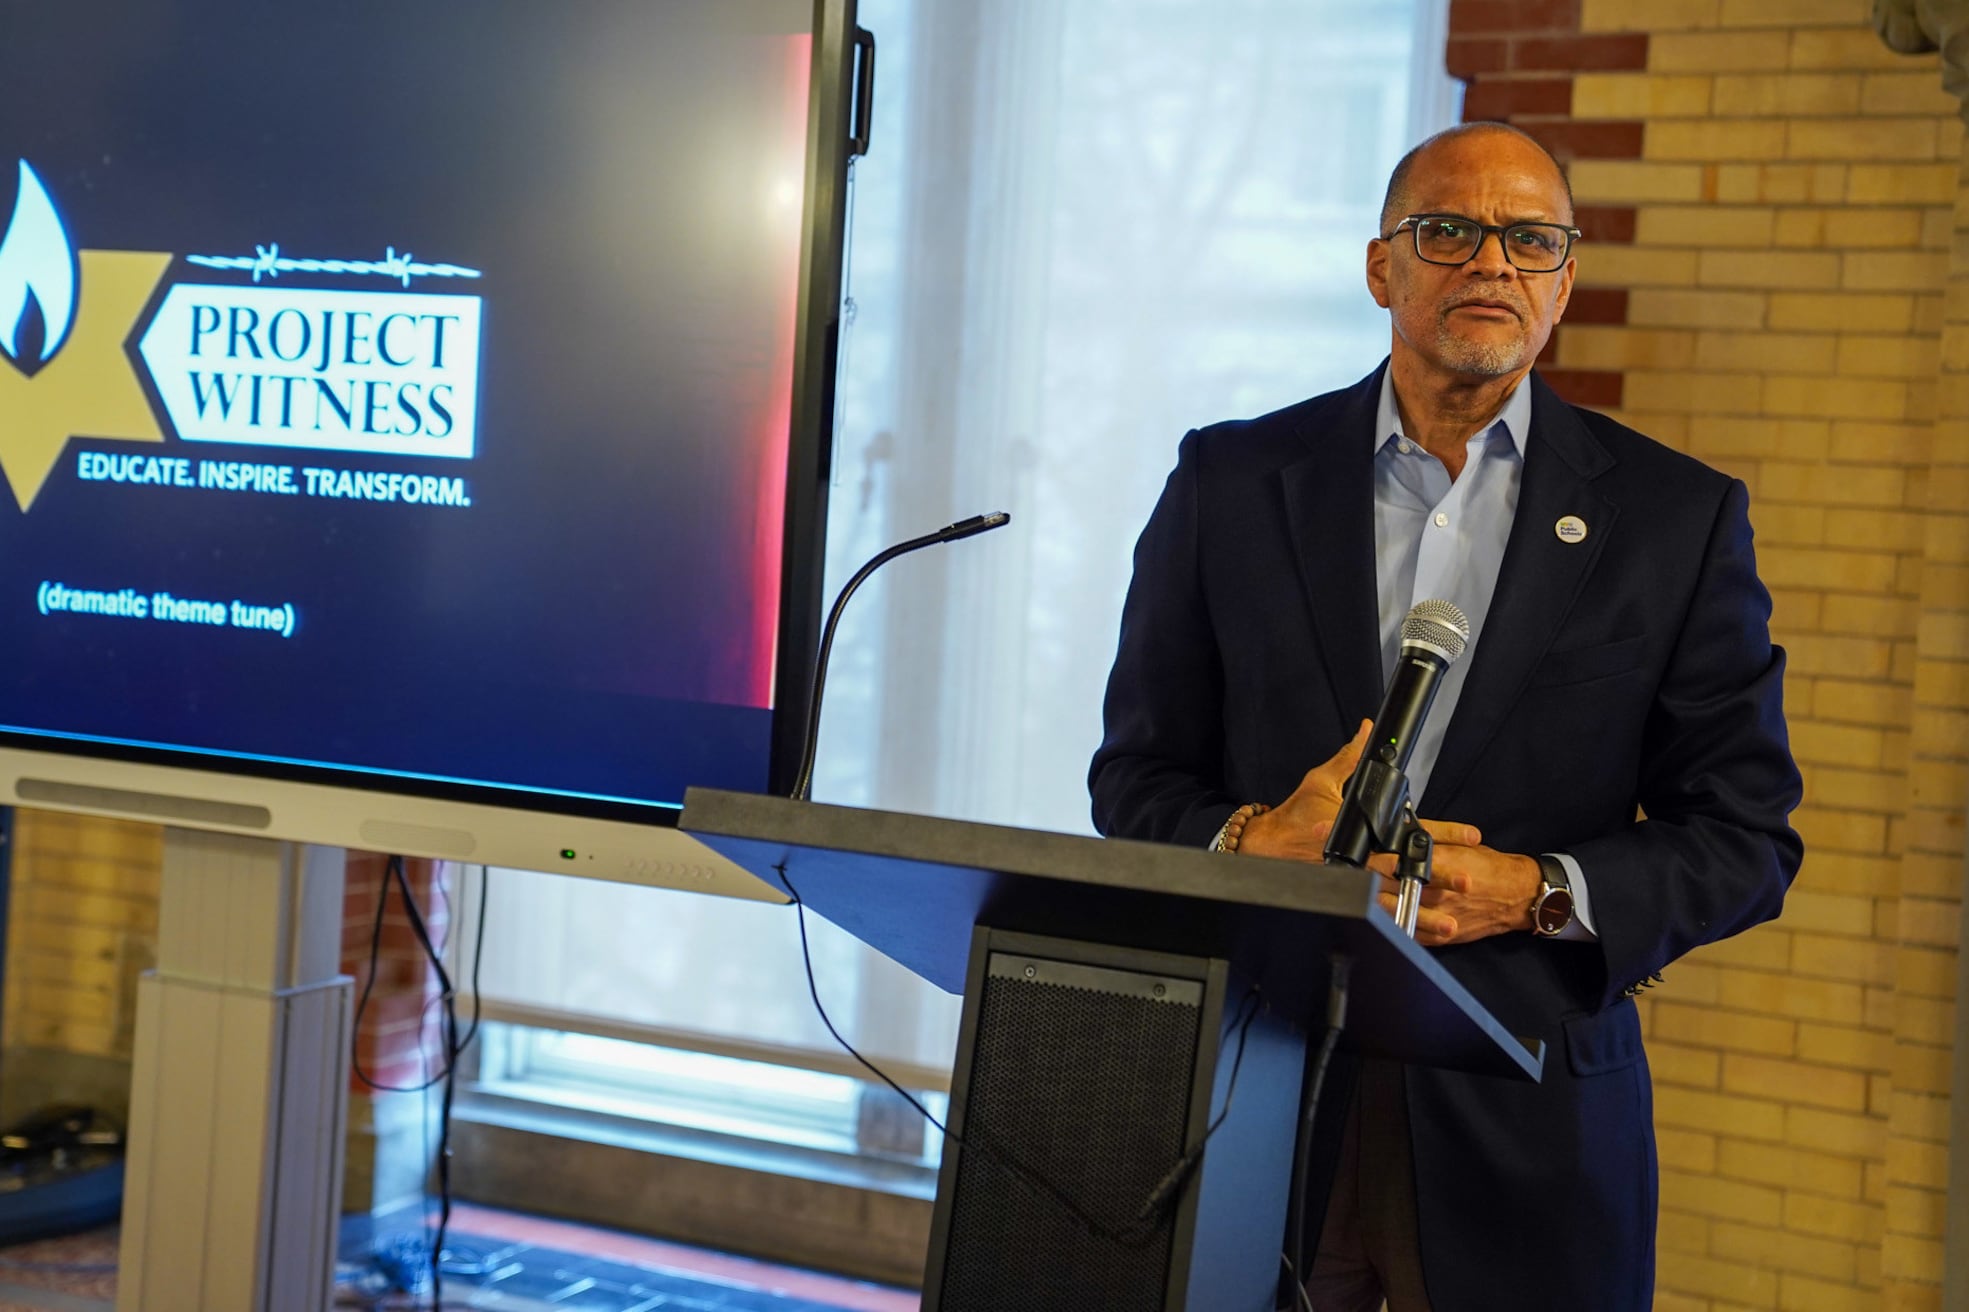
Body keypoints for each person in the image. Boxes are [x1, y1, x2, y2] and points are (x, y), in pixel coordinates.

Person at [1088, 121, 1803, 1312]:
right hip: (1252, 1094)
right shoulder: (1229, 482)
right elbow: (1136, 776)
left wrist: (1533, 888)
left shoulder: (1674, 522)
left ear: (1565, 278)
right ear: (1383, 269)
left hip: (1526, 1116)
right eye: (1448, 232)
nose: (1491, 264)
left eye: (1531, 239)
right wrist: (1244, 842)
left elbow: (1743, 835)